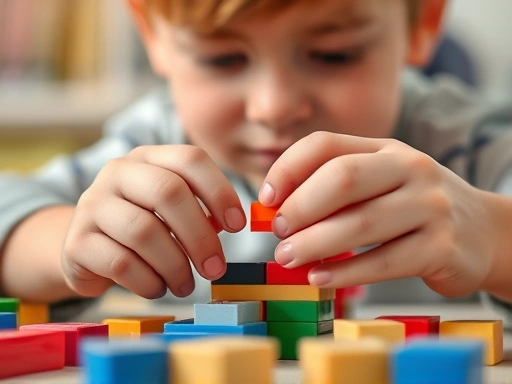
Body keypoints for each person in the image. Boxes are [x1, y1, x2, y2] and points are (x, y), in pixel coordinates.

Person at [1, 0, 512, 325]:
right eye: (222, 59)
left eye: (334, 54)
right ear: (153, 36)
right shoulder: (153, 144)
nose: (273, 107)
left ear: (423, 22)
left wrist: (493, 236)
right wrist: (69, 245)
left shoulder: (471, 145)